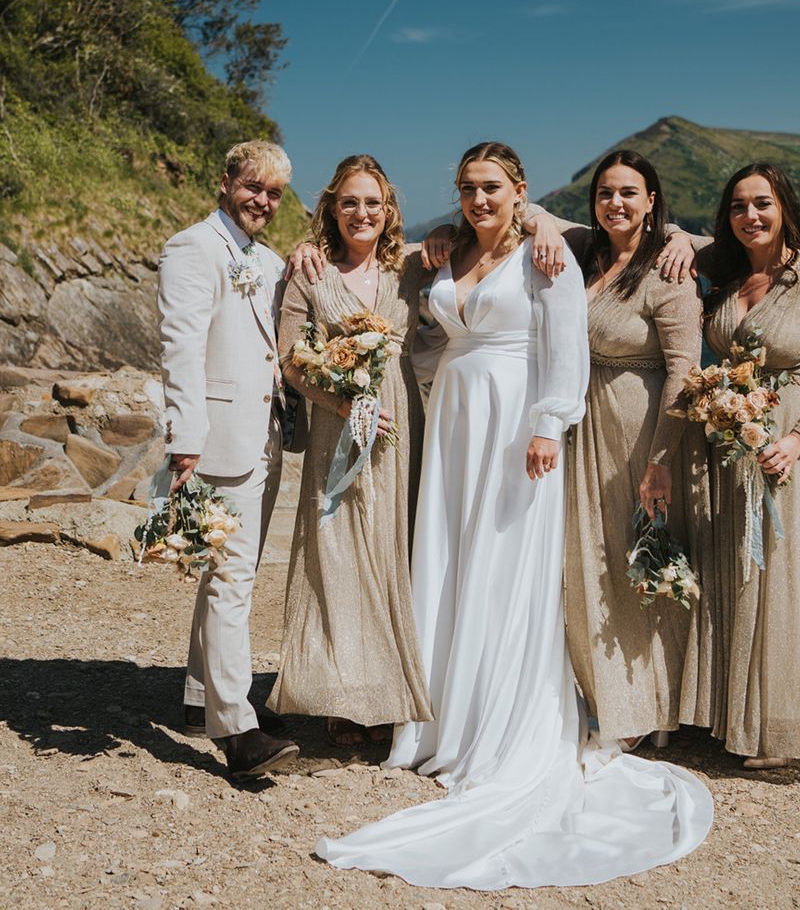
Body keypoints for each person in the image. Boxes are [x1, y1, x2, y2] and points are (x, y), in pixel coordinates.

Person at [314, 142, 713, 890]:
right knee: (450, 559)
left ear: (520, 191)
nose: (477, 198)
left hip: (516, 427)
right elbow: (427, 340)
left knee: (504, 567)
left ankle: (497, 730)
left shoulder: (547, 255)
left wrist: (549, 422)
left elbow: (567, 348)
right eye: (466, 187)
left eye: (491, 187)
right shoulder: (446, 250)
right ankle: (435, 721)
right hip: (455, 427)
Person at [696, 162, 800, 768]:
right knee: (735, 568)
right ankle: (736, 712)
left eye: (761, 203)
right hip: (725, 443)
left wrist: (797, 439)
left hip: (784, 441)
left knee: (782, 573)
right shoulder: (721, 271)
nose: (750, 216)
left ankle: (786, 724)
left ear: (784, 205)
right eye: (738, 206)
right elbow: (647, 233)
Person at [266, 156, 433, 743]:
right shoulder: (309, 273)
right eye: (350, 202)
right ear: (331, 209)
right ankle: (339, 693)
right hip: (339, 426)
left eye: (373, 203)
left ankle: (388, 692)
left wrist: (538, 223)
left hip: (399, 424)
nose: (362, 213)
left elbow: (491, 230)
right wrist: (341, 405)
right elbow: (290, 359)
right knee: (335, 553)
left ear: (388, 212)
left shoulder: (409, 269)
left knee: (391, 549)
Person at [158, 140, 303, 779]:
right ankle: (236, 728)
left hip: (263, 435)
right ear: (225, 183)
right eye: (253, 188)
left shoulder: (267, 260)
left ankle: (200, 694)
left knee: (224, 571)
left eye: (273, 194)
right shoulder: (193, 247)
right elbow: (181, 348)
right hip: (216, 436)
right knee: (231, 579)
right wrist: (186, 437)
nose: (262, 202)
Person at [560, 151, 714, 750]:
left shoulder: (669, 271)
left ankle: (654, 705)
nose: (615, 204)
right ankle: (608, 696)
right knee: (591, 560)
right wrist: (440, 235)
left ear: (652, 201)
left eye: (629, 193)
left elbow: (684, 370)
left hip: (642, 428)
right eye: (604, 193)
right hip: (586, 427)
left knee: (644, 557)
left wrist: (661, 461)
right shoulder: (587, 255)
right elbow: (527, 213)